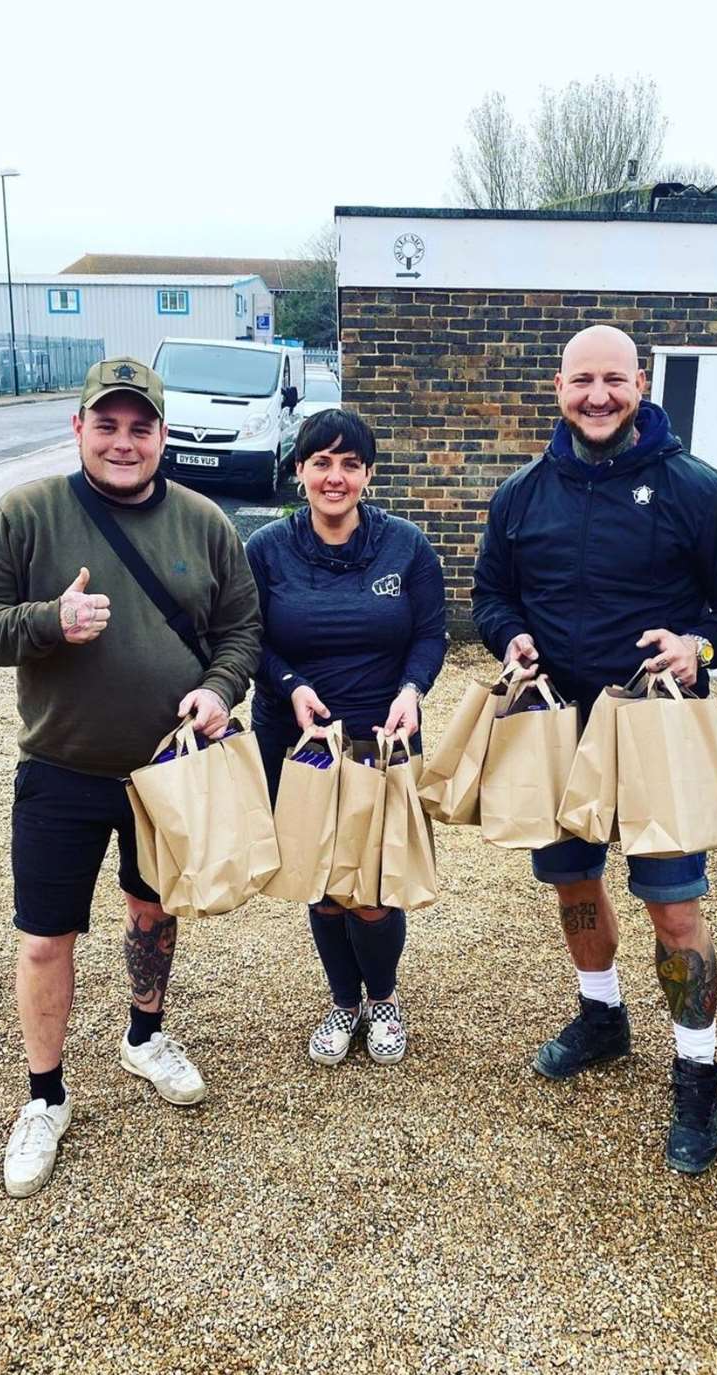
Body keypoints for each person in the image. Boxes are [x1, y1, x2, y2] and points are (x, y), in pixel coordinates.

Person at [0, 357, 261, 1198]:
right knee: (47, 936)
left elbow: (241, 628)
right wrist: (49, 621)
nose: (124, 441)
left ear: (162, 434)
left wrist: (219, 689)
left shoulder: (204, 522)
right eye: (107, 424)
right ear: (78, 428)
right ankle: (44, 1096)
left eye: (140, 426)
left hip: (166, 773)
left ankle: (145, 1037)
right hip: (61, 766)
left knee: (153, 911)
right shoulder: (28, 513)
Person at [472, 324, 717, 1175]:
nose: (597, 395)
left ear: (640, 384)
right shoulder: (522, 494)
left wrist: (700, 645)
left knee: (674, 907)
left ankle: (698, 1065)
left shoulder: (698, 490)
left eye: (614, 379)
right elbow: (491, 595)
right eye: (582, 380)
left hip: (654, 727)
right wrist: (512, 637)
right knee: (574, 883)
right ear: (558, 387)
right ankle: (602, 1016)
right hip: (558, 728)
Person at [246, 408, 447, 1067]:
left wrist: (412, 691)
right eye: (322, 463)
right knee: (324, 884)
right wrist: (291, 683)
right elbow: (250, 639)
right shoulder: (266, 550)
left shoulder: (406, 547)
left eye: (350, 464)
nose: (336, 477)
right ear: (299, 470)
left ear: (368, 474)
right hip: (297, 739)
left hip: (381, 741)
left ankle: (382, 997)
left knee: (373, 888)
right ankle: (343, 1001)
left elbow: (429, 635)